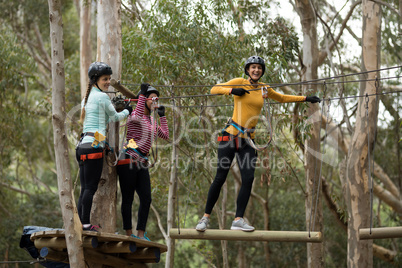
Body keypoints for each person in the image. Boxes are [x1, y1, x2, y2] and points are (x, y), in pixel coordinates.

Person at [196, 55, 321, 232]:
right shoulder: (239, 81)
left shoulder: (264, 88)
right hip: (230, 137)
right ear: (247, 70)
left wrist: (306, 98)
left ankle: (238, 219)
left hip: (248, 141)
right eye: (253, 67)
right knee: (220, 177)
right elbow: (214, 89)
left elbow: (282, 98)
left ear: (262, 71)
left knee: (248, 179)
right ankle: (205, 218)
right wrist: (232, 91)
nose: (256, 70)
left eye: (259, 68)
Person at [76, 62, 132, 232]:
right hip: (93, 148)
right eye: (104, 79)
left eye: (108, 79)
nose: (108, 82)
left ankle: (79, 223)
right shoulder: (102, 97)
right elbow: (115, 117)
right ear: (95, 80)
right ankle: (85, 224)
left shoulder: (88, 97)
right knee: (90, 188)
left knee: (84, 188)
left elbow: (102, 120)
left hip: (83, 146)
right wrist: (128, 110)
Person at [117, 83, 169, 240]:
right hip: (129, 159)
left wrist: (162, 116)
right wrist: (142, 94)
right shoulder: (135, 116)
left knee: (146, 198)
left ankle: (140, 234)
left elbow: (165, 135)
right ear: (144, 99)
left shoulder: (152, 121)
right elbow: (139, 111)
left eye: (157, 99)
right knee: (128, 198)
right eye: (152, 98)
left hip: (142, 162)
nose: (155, 101)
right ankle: (128, 233)